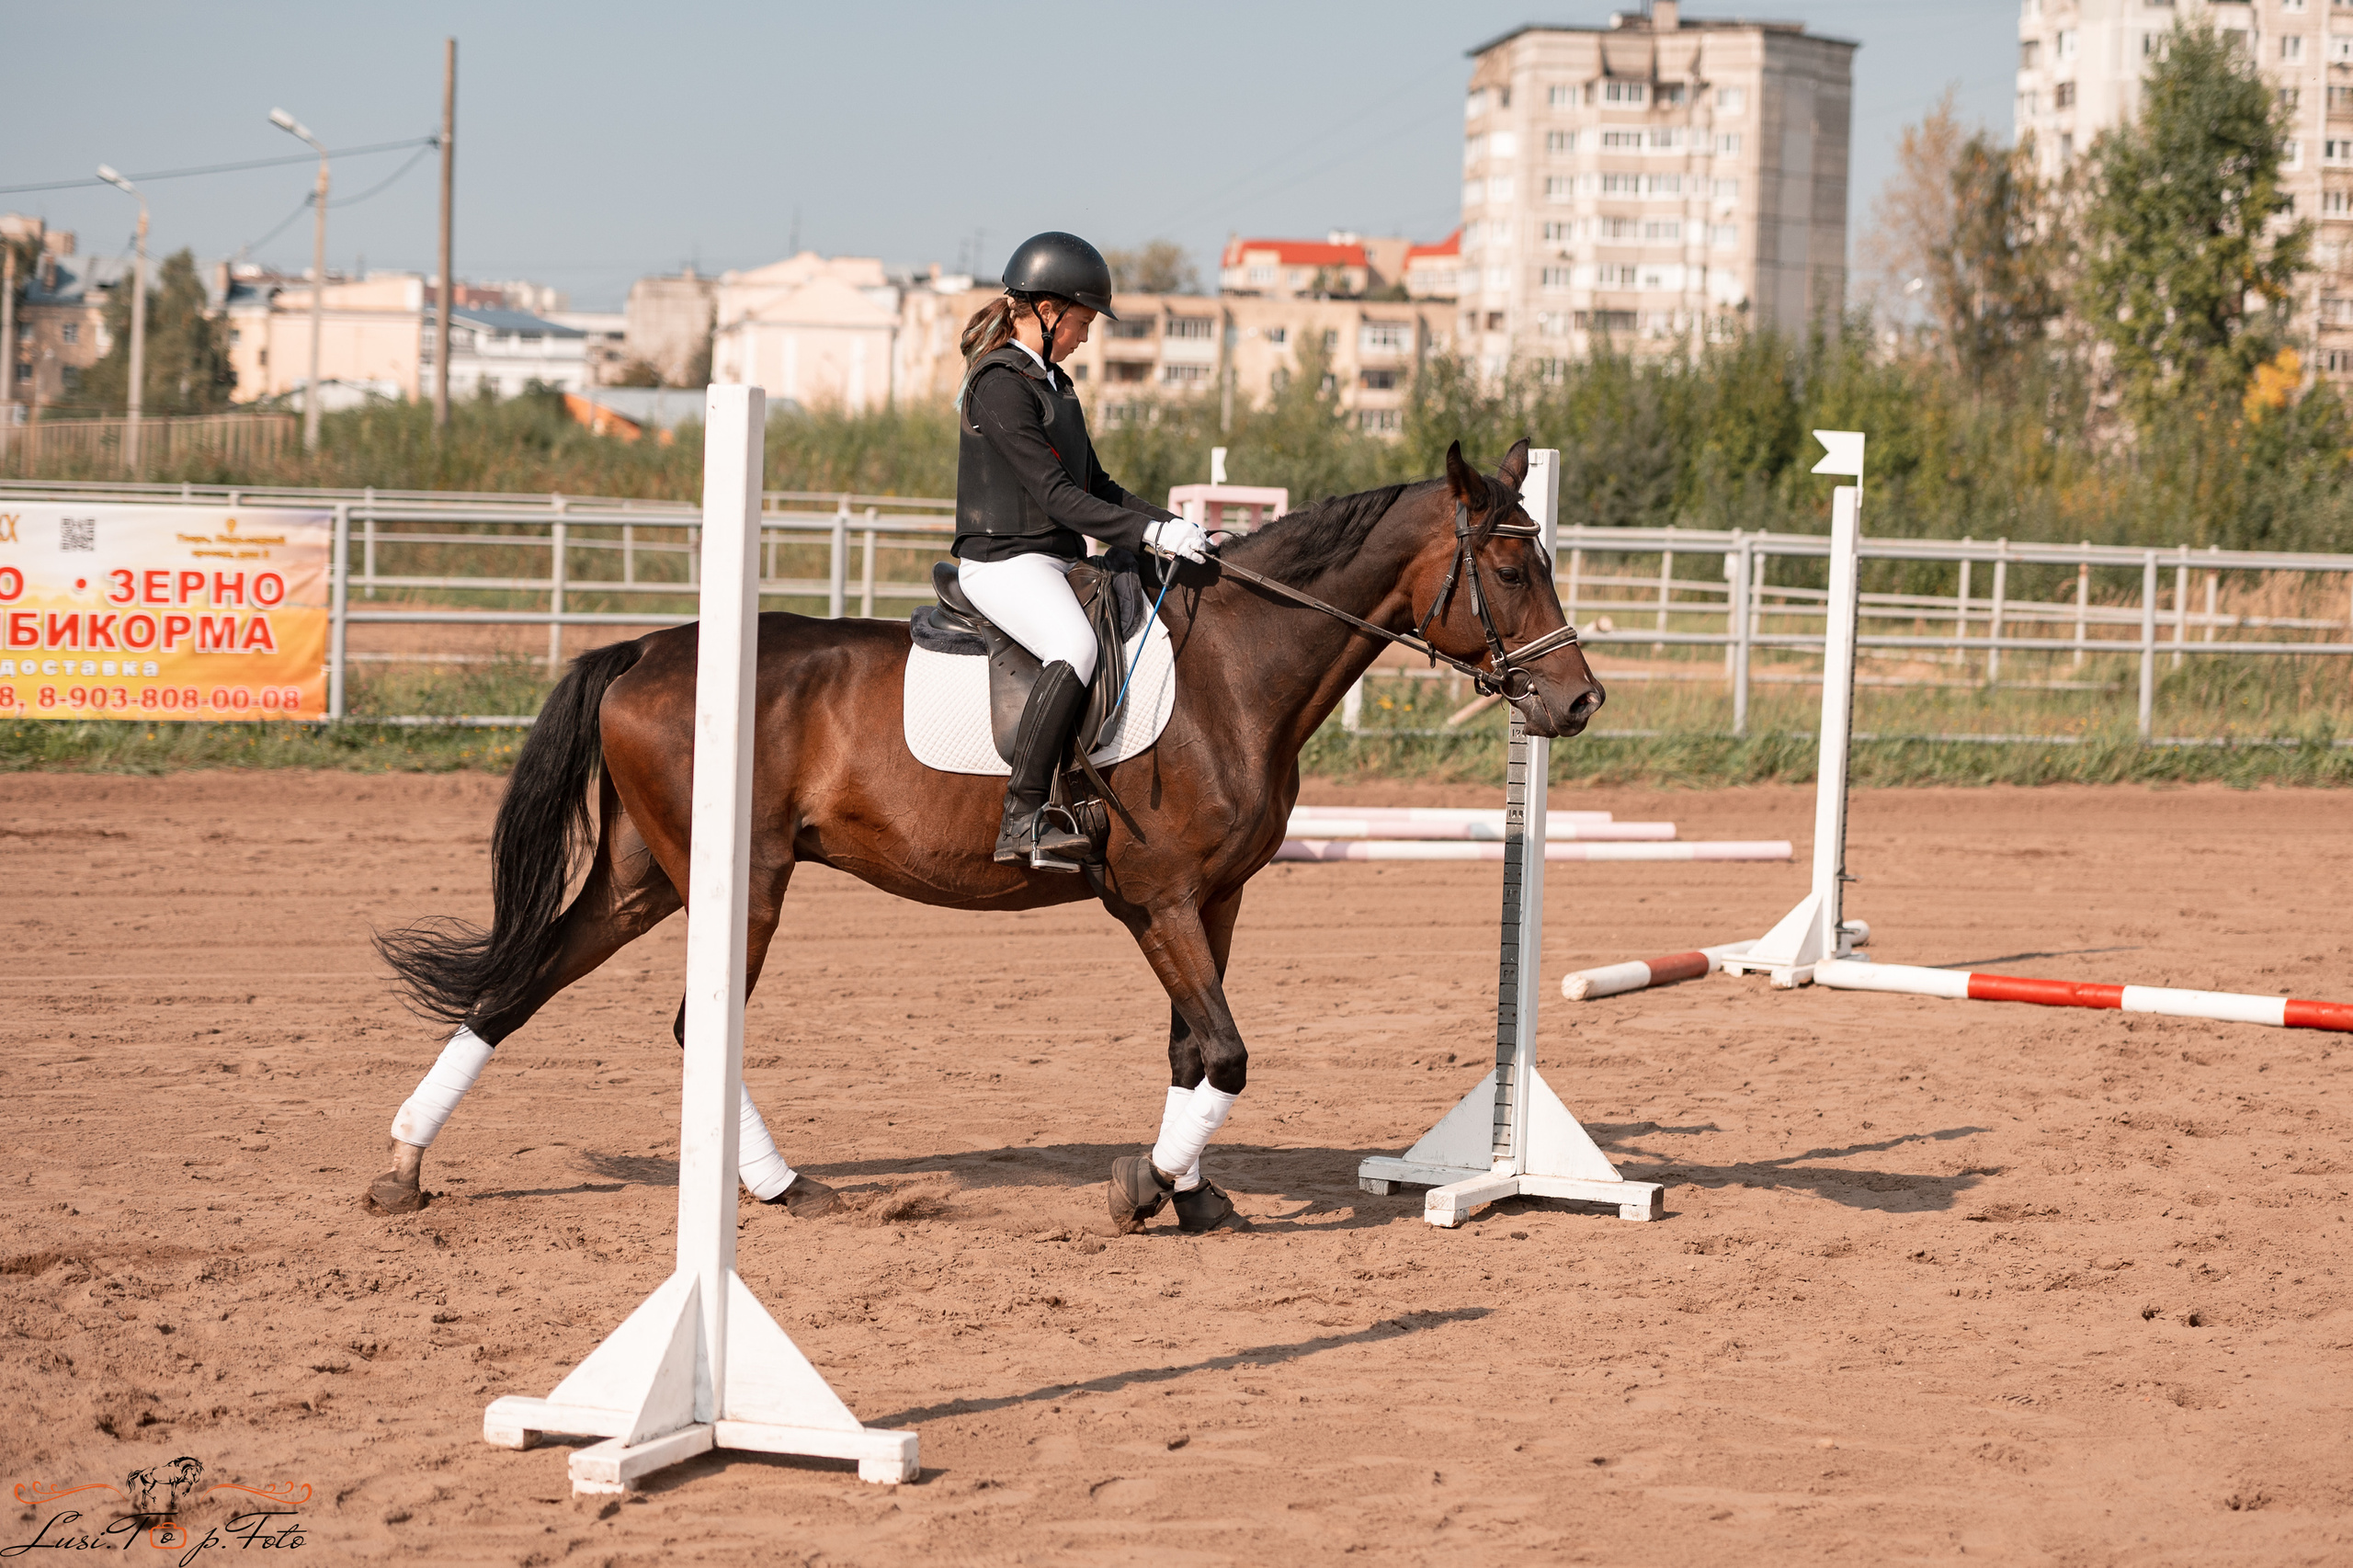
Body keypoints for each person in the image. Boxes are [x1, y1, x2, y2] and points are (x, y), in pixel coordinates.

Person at [953, 232, 1212, 869]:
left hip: (1054, 559)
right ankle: (1023, 816)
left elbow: (1100, 487)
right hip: (1003, 562)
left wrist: (1176, 526)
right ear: (1047, 312)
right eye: (1083, 322)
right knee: (1078, 644)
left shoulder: (1055, 384)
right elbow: (1057, 496)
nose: (1087, 336)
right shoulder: (1000, 385)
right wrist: (1150, 534)